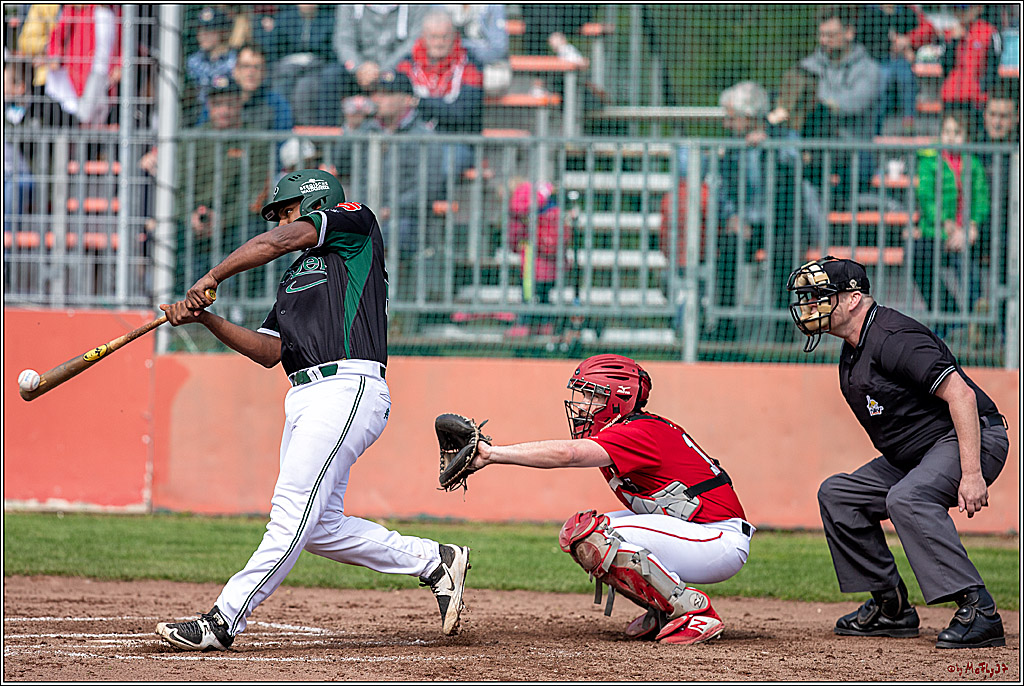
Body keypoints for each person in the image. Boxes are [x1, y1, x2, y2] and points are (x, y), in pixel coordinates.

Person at [154, 168, 471, 651]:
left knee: (290, 515)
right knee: (319, 527)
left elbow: (280, 240)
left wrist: (213, 275)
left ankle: (223, 619)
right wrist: (205, 318)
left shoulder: (354, 224)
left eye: (287, 210)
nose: (282, 222)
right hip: (303, 394)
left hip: (347, 386)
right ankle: (434, 561)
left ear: (316, 201)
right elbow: (269, 351)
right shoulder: (295, 277)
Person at [786, 256, 1008, 649]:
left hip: (970, 438)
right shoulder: (854, 349)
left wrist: (971, 473)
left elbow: (961, 394)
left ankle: (980, 611)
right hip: (920, 453)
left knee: (909, 497)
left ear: (854, 299)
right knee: (839, 495)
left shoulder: (893, 336)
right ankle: (892, 607)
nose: (810, 306)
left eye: (821, 296)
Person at [467, 354, 753, 645]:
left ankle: (696, 612)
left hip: (718, 539)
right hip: (697, 532)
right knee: (578, 530)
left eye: (591, 394)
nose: (580, 404)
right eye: (581, 393)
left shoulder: (639, 431)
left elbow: (569, 454)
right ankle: (664, 609)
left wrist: (491, 454)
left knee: (593, 535)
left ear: (618, 399)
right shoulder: (623, 430)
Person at [771, 7, 881, 206]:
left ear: (849, 32)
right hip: (813, 154)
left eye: (830, 35)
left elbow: (854, 103)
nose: (824, 41)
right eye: (821, 35)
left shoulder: (869, 70)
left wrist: (815, 98)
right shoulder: (807, 67)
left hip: (853, 156)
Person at [913, 109, 989, 322]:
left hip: (965, 233)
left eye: (957, 132)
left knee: (966, 265)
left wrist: (971, 226)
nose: (951, 136)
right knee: (919, 257)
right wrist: (947, 226)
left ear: (967, 136)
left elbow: (980, 198)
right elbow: (927, 198)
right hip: (936, 231)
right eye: (947, 131)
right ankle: (947, 314)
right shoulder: (929, 162)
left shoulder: (973, 164)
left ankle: (977, 315)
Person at [396, 9, 484, 177]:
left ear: (453, 37)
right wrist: (441, 106)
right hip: (411, 139)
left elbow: (462, 113)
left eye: (444, 37)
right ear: (423, 37)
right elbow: (399, 107)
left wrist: (419, 103)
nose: (439, 43)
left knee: (440, 169)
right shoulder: (407, 64)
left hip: (456, 141)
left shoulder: (470, 64)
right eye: (433, 37)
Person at [856, 4, 937, 134]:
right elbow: (864, 42)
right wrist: (891, 44)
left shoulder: (906, 11)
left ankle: (908, 125)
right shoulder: (870, 13)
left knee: (906, 76)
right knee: (882, 81)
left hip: (901, 61)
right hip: (878, 62)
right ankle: (875, 127)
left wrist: (907, 42)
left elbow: (929, 30)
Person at [44, 4, 122, 126]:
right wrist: (55, 55)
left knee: (101, 114)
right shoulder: (79, 7)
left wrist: (120, 65)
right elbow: (59, 32)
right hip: (84, 70)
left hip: (107, 72)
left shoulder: (116, 10)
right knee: (84, 115)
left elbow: (122, 42)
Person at [197, 43, 293, 133]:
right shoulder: (217, 101)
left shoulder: (277, 104)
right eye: (245, 66)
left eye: (257, 67)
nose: (251, 72)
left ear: (264, 72)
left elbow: (282, 140)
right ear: (235, 70)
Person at [940, 4, 1002, 121]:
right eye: (956, 9)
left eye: (964, 9)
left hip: (977, 98)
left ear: (978, 9)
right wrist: (953, 41)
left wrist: (983, 89)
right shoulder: (949, 34)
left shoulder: (989, 32)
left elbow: (993, 67)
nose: (959, 13)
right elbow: (945, 67)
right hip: (951, 96)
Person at [183, 6, 237, 125]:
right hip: (196, 113)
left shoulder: (235, 59)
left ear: (223, 32)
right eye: (200, 30)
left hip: (226, 113)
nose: (203, 35)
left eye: (209, 30)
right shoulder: (192, 61)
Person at [442, 4, 510, 95]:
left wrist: (461, 47)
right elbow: (437, 46)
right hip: (448, 68)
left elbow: (498, 49)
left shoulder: (494, 6)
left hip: (484, 68)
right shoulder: (440, 6)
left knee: (471, 79)